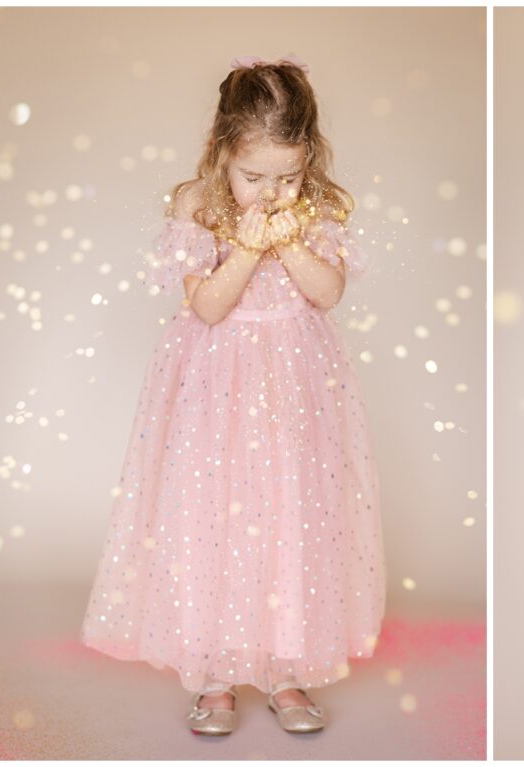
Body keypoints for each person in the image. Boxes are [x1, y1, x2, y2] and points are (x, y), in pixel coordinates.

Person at [80, 53, 385, 736]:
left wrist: (290, 239)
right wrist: (248, 248)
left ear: (310, 158)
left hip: (295, 380)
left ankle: (284, 664)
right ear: (223, 153)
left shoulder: (315, 208)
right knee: (215, 511)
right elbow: (209, 307)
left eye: (288, 174)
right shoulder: (196, 203)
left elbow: (329, 293)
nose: (272, 191)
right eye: (254, 177)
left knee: (290, 508)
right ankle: (214, 669)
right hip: (218, 379)